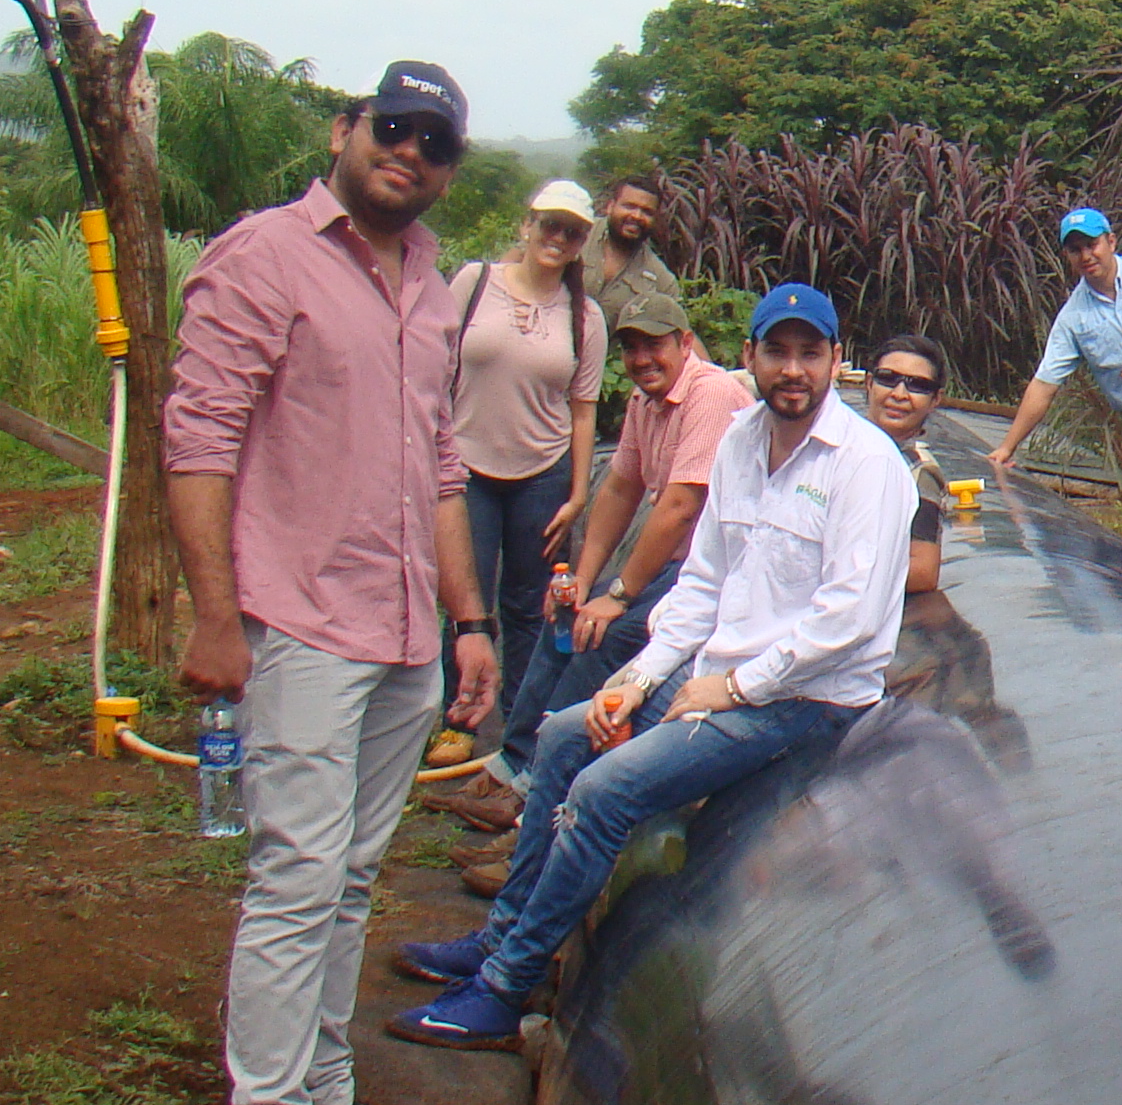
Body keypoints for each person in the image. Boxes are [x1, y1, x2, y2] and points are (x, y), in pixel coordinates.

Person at [163, 60, 501, 1105]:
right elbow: (199, 436)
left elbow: (442, 467)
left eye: (436, 143)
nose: (412, 154)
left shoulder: (427, 280)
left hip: (407, 628)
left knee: (354, 877)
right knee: (296, 879)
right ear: (347, 131)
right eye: (394, 130)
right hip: (299, 621)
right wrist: (216, 614)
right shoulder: (264, 256)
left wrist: (469, 621)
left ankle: (327, 1097)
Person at [388, 283, 916, 1051]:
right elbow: (703, 584)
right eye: (778, 351)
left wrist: (730, 689)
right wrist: (635, 680)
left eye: (811, 353)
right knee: (569, 733)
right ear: (749, 357)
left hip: (807, 698)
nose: (793, 370)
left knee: (604, 789)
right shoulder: (740, 442)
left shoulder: (865, 465)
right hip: (722, 673)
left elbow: (848, 621)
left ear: (839, 362)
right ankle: (500, 941)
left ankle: (506, 990)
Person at [488, 289, 748, 778]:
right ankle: (514, 760)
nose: (642, 359)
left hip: (719, 573)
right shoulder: (645, 401)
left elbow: (678, 507)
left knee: (601, 634)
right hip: (676, 565)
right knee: (568, 617)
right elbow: (619, 489)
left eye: (655, 345)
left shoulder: (711, 395)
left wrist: (620, 595)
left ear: (685, 343)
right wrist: (584, 584)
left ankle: (544, 781)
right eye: (631, 348)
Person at [441, 181, 607, 757]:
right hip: (465, 465)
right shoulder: (473, 283)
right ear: (527, 225)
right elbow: (433, 371)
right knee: (466, 599)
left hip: (543, 472)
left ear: (582, 242)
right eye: (550, 225)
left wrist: (579, 492)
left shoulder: (585, 317)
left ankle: (521, 726)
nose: (557, 239)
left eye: (572, 232)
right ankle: (457, 722)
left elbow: (584, 411)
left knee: (530, 604)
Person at [985, 207, 1122, 482]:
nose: (1086, 256)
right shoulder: (1073, 318)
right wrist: (1007, 448)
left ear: (1111, 241)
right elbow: (1044, 385)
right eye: (1075, 250)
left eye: (1092, 245)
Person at [866, 328, 955, 595]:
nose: (900, 393)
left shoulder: (919, 473)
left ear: (935, 399)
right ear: (868, 383)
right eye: (888, 379)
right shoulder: (834, 445)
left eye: (917, 385)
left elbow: (923, 572)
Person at [585, 170, 679, 334]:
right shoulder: (578, 235)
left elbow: (678, 334)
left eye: (647, 211)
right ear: (610, 206)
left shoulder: (662, 282)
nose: (636, 216)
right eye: (629, 206)